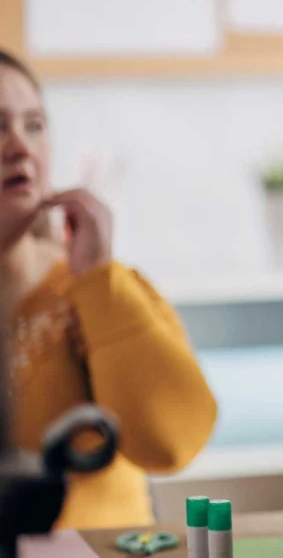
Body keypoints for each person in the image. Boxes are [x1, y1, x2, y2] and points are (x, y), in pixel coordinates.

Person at [0, 50, 217, 530]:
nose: (20, 147)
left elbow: (173, 443)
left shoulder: (93, 287)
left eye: (34, 125)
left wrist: (97, 281)